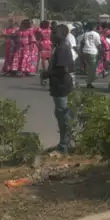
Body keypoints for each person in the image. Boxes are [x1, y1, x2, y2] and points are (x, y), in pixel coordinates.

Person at [42, 24, 75, 154]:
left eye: (54, 33)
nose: (51, 35)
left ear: (61, 34)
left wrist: (47, 74)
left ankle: (64, 146)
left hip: (61, 85)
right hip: (58, 85)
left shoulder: (62, 48)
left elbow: (64, 69)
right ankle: (63, 143)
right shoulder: (59, 47)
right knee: (60, 114)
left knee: (63, 116)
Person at [79, 21, 102, 88]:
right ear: (94, 27)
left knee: (89, 69)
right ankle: (89, 82)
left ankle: (89, 82)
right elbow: (98, 45)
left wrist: (80, 52)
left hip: (85, 52)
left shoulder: (85, 34)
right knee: (93, 69)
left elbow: (82, 43)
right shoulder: (96, 34)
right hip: (92, 52)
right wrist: (101, 52)